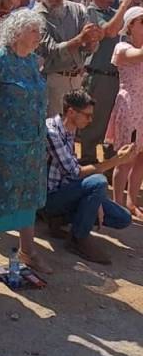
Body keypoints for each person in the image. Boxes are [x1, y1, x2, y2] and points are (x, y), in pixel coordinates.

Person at [0, 10, 50, 273]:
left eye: (39, 30)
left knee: (29, 198)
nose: (38, 36)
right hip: (5, 145)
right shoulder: (0, 60)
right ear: (17, 32)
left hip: (33, 144)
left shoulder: (33, 60)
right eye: (33, 30)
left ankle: (28, 251)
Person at [45, 90, 134, 264]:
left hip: (67, 190)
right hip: (50, 198)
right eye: (87, 115)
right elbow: (75, 172)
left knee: (123, 218)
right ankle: (78, 238)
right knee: (99, 181)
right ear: (71, 112)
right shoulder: (52, 132)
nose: (90, 120)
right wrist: (116, 160)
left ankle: (61, 221)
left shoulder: (70, 130)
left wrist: (97, 198)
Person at [80, 0, 139, 164]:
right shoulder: (89, 12)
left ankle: (112, 165)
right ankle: (89, 164)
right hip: (99, 75)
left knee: (114, 124)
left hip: (119, 79)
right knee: (93, 124)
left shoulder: (114, 13)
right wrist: (124, 4)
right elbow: (110, 31)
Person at [36, 0, 102, 116]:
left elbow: (89, 48)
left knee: (72, 127)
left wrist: (92, 40)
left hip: (77, 78)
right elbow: (51, 50)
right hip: (54, 80)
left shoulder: (77, 9)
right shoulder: (36, 16)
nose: (59, 0)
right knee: (55, 128)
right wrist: (80, 39)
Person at [105, 6, 143, 218]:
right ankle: (118, 204)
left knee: (142, 158)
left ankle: (131, 202)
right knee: (127, 157)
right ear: (130, 26)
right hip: (129, 106)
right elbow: (137, 55)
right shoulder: (121, 47)